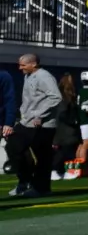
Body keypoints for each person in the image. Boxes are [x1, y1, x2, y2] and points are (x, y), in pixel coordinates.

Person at [8, 53, 60, 196]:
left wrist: (40, 114)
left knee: (43, 156)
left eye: (23, 65)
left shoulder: (44, 77)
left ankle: (41, 188)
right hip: (27, 121)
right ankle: (25, 181)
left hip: (43, 125)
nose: (20, 68)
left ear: (33, 64)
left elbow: (56, 97)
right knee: (13, 146)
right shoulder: (28, 76)